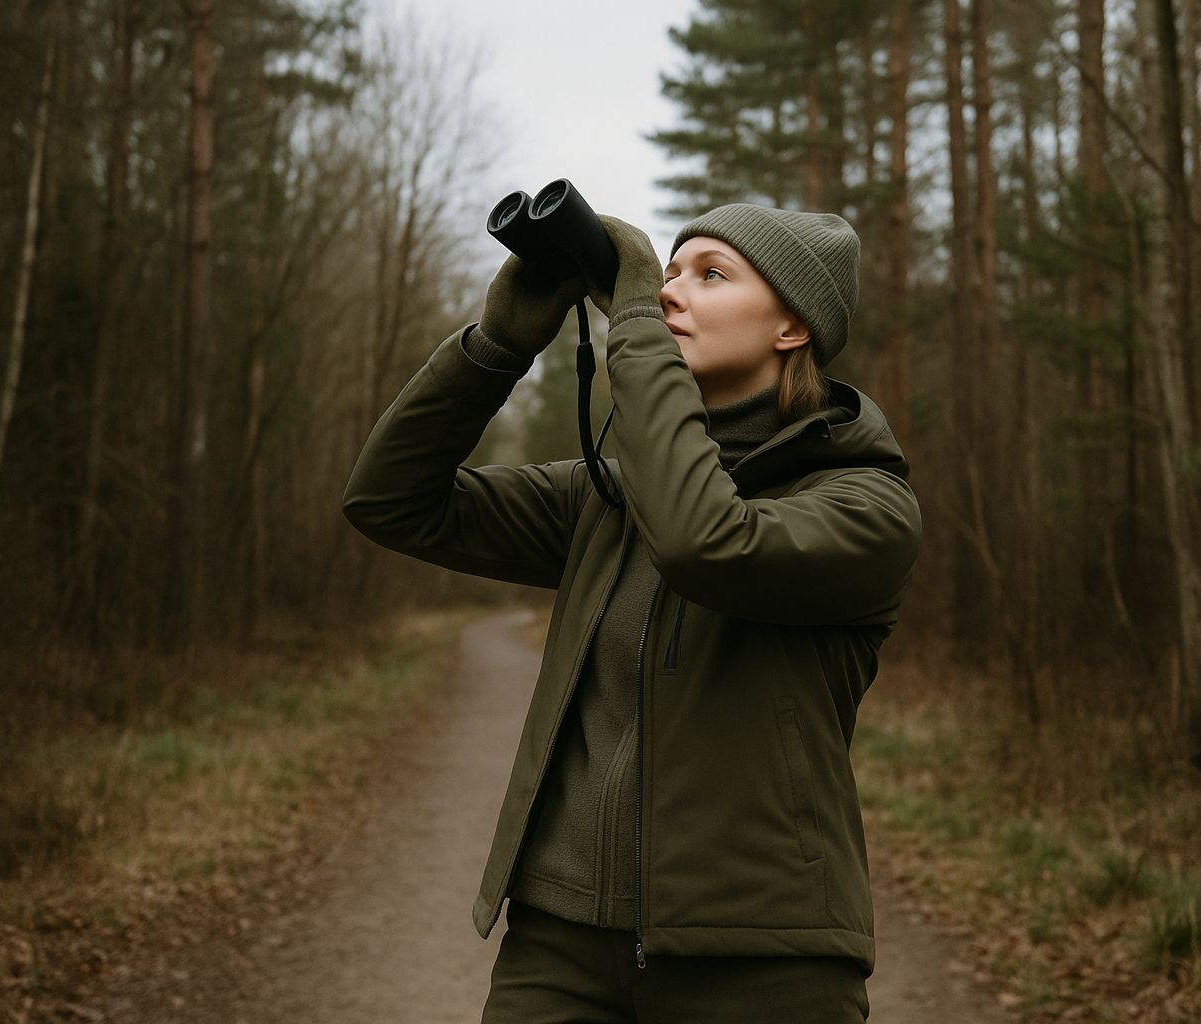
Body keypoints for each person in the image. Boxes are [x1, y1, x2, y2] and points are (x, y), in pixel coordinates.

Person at [342, 203, 922, 1023]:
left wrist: (640, 325)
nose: (668, 292)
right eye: (666, 273)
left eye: (710, 275)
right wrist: (494, 348)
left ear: (793, 327)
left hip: (764, 962)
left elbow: (704, 542)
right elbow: (390, 500)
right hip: (559, 945)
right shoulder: (607, 498)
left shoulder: (866, 506)